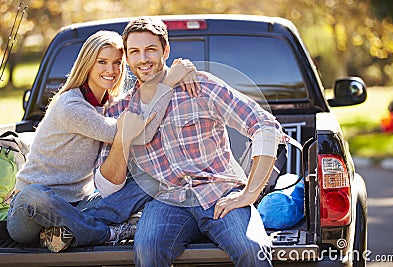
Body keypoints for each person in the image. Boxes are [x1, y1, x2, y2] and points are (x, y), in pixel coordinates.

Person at [95, 17, 285, 266]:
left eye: (151, 49)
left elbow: (265, 125)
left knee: (252, 249)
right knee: (148, 250)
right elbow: (106, 188)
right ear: (127, 59)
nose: (143, 59)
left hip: (219, 193)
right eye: (135, 52)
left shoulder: (199, 86)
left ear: (166, 50)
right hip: (166, 200)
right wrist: (123, 138)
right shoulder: (119, 110)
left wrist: (249, 193)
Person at [6, 30, 198, 252]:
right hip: (29, 213)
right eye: (102, 62)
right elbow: (135, 133)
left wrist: (174, 74)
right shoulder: (71, 106)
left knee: (150, 179)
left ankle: (66, 231)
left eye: (117, 63)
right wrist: (170, 82)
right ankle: (107, 233)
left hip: (80, 207)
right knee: (35, 194)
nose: (111, 70)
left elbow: (142, 124)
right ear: (87, 64)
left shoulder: (111, 105)